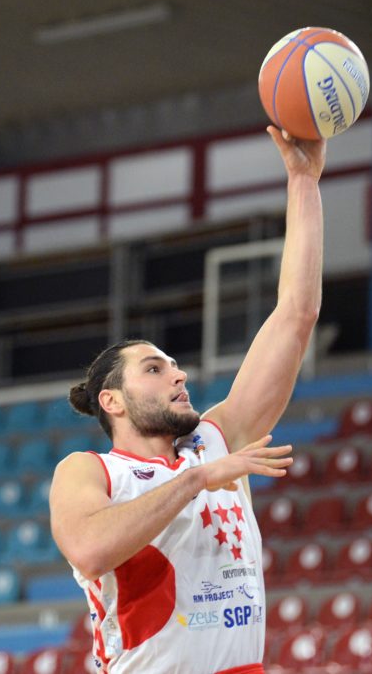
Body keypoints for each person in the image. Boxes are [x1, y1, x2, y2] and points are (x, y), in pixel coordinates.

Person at [49, 125, 326, 674]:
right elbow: (89, 548)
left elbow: (296, 315)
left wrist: (304, 181)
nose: (178, 375)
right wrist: (196, 479)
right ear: (112, 401)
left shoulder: (216, 438)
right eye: (155, 369)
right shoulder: (90, 470)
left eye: (176, 366)